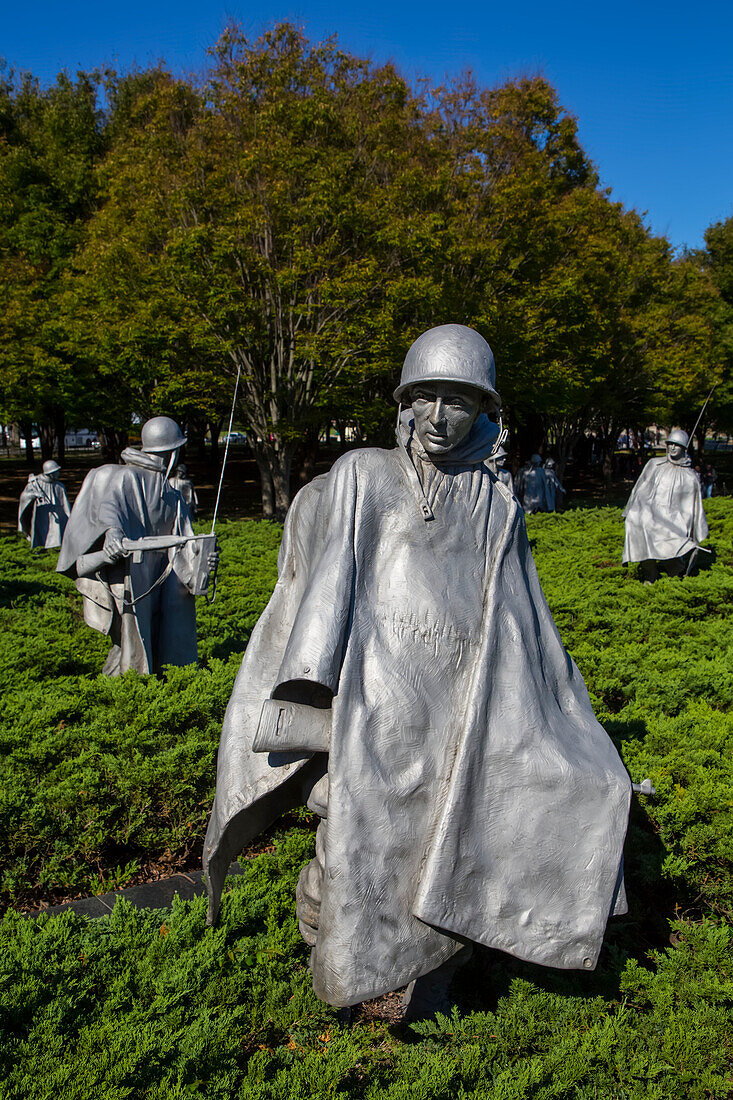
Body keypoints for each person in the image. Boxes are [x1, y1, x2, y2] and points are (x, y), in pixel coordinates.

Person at [204, 324, 630, 1018]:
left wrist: (565, 718)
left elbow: (523, 620)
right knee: (354, 846)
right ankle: (337, 958)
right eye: (425, 397)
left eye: (456, 401)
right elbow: (323, 595)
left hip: (458, 709)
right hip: (372, 703)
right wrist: (315, 701)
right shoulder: (363, 476)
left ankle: (425, 984)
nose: (438, 417)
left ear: (483, 409)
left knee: (451, 845)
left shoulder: (497, 502)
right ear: (403, 403)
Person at [57, 417, 216, 676]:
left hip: (161, 578)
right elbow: (111, 507)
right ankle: (125, 695)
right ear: (173, 453)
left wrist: (204, 563)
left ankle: (160, 683)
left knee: (154, 637)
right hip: (133, 575)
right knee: (130, 645)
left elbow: (187, 545)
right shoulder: (125, 476)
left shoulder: (173, 494)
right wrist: (113, 534)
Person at [622, 428, 708, 582]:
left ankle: (675, 574)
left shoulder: (690, 477)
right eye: (671, 444)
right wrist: (629, 511)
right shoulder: (654, 464)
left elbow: (694, 508)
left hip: (675, 521)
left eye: (677, 445)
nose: (673, 448)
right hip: (651, 514)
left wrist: (696, 533)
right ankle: (650, 573)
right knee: (637, 525)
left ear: (684, 448)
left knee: (672, 540)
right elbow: (639, 489)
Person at [17, 460, 71, 549]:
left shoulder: (59, 486)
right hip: (41, 515)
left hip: (56, 515)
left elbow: (65, 505)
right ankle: (39, 548)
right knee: (41, 533)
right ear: (50, 474)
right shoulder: (34, 484)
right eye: (56, 472)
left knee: (57, 532)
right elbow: (24, 497)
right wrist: (34, 495)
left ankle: (56, 548)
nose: (58, 473)